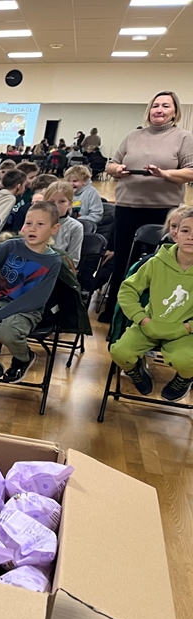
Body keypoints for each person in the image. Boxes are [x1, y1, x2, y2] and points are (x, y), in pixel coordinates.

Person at [103, 91, 193, 323]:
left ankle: (150, 313)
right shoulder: (133, 136)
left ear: (175, 112)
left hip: (163, 209)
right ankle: (114, 311)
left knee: (156, 263)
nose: (159, 110)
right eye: (155, 105)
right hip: (127, 206)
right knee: (122, 259)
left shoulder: (183, 137)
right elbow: (111, 165)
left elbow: (190, 171)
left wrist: (164, 174)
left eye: (165, 106)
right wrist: (117, 170)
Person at [0, 202, 62, 383]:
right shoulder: (12, 246)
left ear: (54, 229)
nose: (32, 228)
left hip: (27, 309)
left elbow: (36, 299)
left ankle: (24, 358)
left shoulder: (53, 261)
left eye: (40, 224)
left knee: (8, 332)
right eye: (28, 223)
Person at [110, 208, 193, 401]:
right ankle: (136, 370)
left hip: (183, 332)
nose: (191, 237)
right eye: (185, 230)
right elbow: (128, 290)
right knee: (120, 352)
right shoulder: (156, 262)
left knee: (187, 361)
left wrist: (188, 327)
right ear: (175, 234)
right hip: (148, 326)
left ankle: (184, 378)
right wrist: (142, 319)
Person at [43, 181, 84, 266]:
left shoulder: (76, 227)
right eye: (51, 202)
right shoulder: (36, 221)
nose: (56, 206)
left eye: (62, 201)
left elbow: (73, 261)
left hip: (60, 269)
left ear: (70, 204)